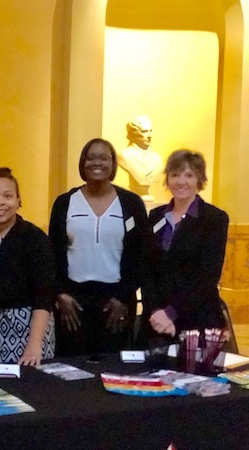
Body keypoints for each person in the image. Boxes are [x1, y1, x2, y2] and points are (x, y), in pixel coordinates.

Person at [49, 138, 149, 356]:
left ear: (113, 163)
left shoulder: (131, 203)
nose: (97, 163)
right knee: (73, 370)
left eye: (104, 157)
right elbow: (53, 254)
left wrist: (123, 298)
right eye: (91, 157)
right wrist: (60, 295)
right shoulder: (65, 203)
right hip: (73, 302)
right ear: (82, 163)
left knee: (112, 367)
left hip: (116, 302)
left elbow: (142, 256)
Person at [145, 150, 229, 340]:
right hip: (157, 322)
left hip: (197, 320)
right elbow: (146, 268)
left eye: (189, 175)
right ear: (167, 179)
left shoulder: (214, 219)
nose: (181, 181)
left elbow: (208, 275)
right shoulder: (155, 216)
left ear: (199, 179)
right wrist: (156, 311)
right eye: (175, 175)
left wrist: (171, 313)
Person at [0, 168, 55, 366]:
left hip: (25, 334)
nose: (0, 202)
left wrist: (34, 344)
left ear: (19, 201)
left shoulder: (34, 238)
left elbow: (44, 296)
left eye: (8, 196)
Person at [118, 115, 163, 202]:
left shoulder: (157, 158)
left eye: (151, 131)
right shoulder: (125, 156)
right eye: (144, 131)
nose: (149, 135)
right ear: (133, 134)